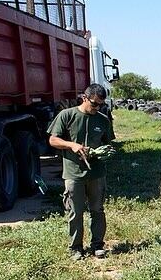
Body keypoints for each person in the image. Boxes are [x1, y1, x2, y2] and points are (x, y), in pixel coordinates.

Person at [48, 84, 116, 260]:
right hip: (73, 173)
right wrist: (72, 145)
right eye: (94, 104)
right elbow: (53, 140)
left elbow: (109, 143)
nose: (97, 108)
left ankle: (97, 245)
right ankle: (76, 248)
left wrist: (101, 152)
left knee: (97, 210)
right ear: (84, 98)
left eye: (101, 105)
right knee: (75, 212)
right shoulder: (67, 115)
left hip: (96, 174)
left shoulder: (103, 120)